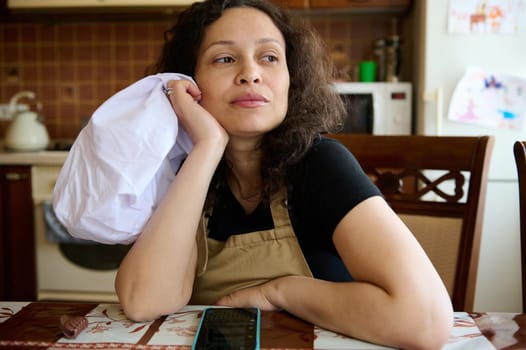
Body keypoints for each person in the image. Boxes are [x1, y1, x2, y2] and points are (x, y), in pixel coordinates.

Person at [114, 0, 453, 348]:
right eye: (224, 58)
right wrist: (207, 147)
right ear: (189, 82)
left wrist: (280, 291)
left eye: (269, 57)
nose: (251, 73)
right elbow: (144, 302)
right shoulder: (181, 171)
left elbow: (424, 322)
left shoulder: (321, 164)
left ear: (292, 79)